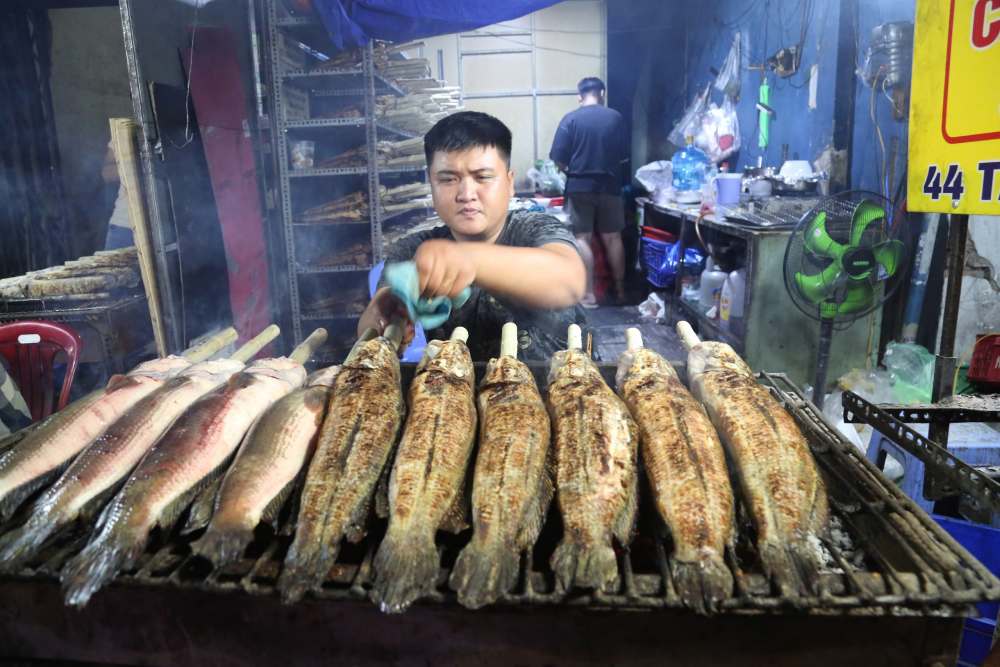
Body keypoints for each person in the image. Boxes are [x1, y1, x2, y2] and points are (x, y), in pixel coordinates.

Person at [358, 111, 586, 361]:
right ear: (431, 184)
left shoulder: (534, 229)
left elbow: (569, 280)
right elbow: (370, 328)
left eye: (483, 177)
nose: (466, 194)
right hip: (454, 383)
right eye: (448, 179)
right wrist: (387, 311)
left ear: (509, 183)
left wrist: (465, 259)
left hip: (559, 382)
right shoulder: (414, 249)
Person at [549, 76, 628, 306]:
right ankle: (620, 291)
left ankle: (588, 294)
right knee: (613, 238)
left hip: (579, 186)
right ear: (602, 93)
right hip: (610, 185)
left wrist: (572, 171)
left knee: (582, 238)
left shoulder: (570, 119)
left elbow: (558, 159)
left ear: (579, 96)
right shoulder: (615, 118)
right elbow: (623, 156)